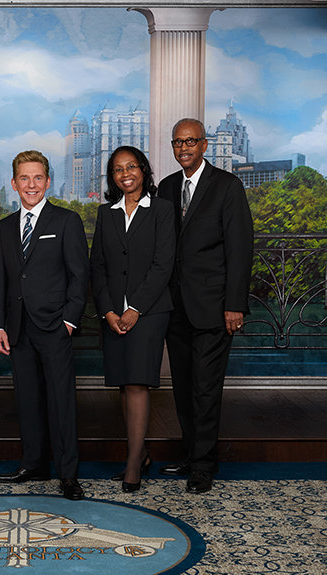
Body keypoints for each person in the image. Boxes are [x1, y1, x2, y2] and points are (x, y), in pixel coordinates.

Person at [158, 118, 254, 494]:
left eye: (190, 141)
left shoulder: (227, 186)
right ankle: (190, 453)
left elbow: (240, 248)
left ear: (204, 145)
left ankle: (203, 465)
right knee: (183, 386)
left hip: (214, 307)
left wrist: (235, 305)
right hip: (175, 306)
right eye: (178, 142)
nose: (183, 148)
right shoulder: (167, 187)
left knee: (205, 387)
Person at [0, 150, 89, 501]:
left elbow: (80, 277)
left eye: (37, 178)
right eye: (24, 178)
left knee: (61, 402)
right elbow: (0, 281)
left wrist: (69, 321)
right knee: (28, 399)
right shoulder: (4, 228)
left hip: (54, 326)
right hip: (17, 328)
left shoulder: (66, 221)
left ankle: (68, 474)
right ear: (14, 183)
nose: (30, 184)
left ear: (47, 182)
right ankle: (33, 464)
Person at [90, 146, 175, 493]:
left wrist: (134, 308)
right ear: (112, 177)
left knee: (138, 383)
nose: (125, 174)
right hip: (113, 313)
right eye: (118, 169)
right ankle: (141, 454)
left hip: (149, 312)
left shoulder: (162, 210)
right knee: (124, 385)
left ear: (143, 169)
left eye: (131, 167)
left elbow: (163, 264)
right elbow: (97, 266)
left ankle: (132, 463)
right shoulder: (105, 213)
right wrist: (109, 311)